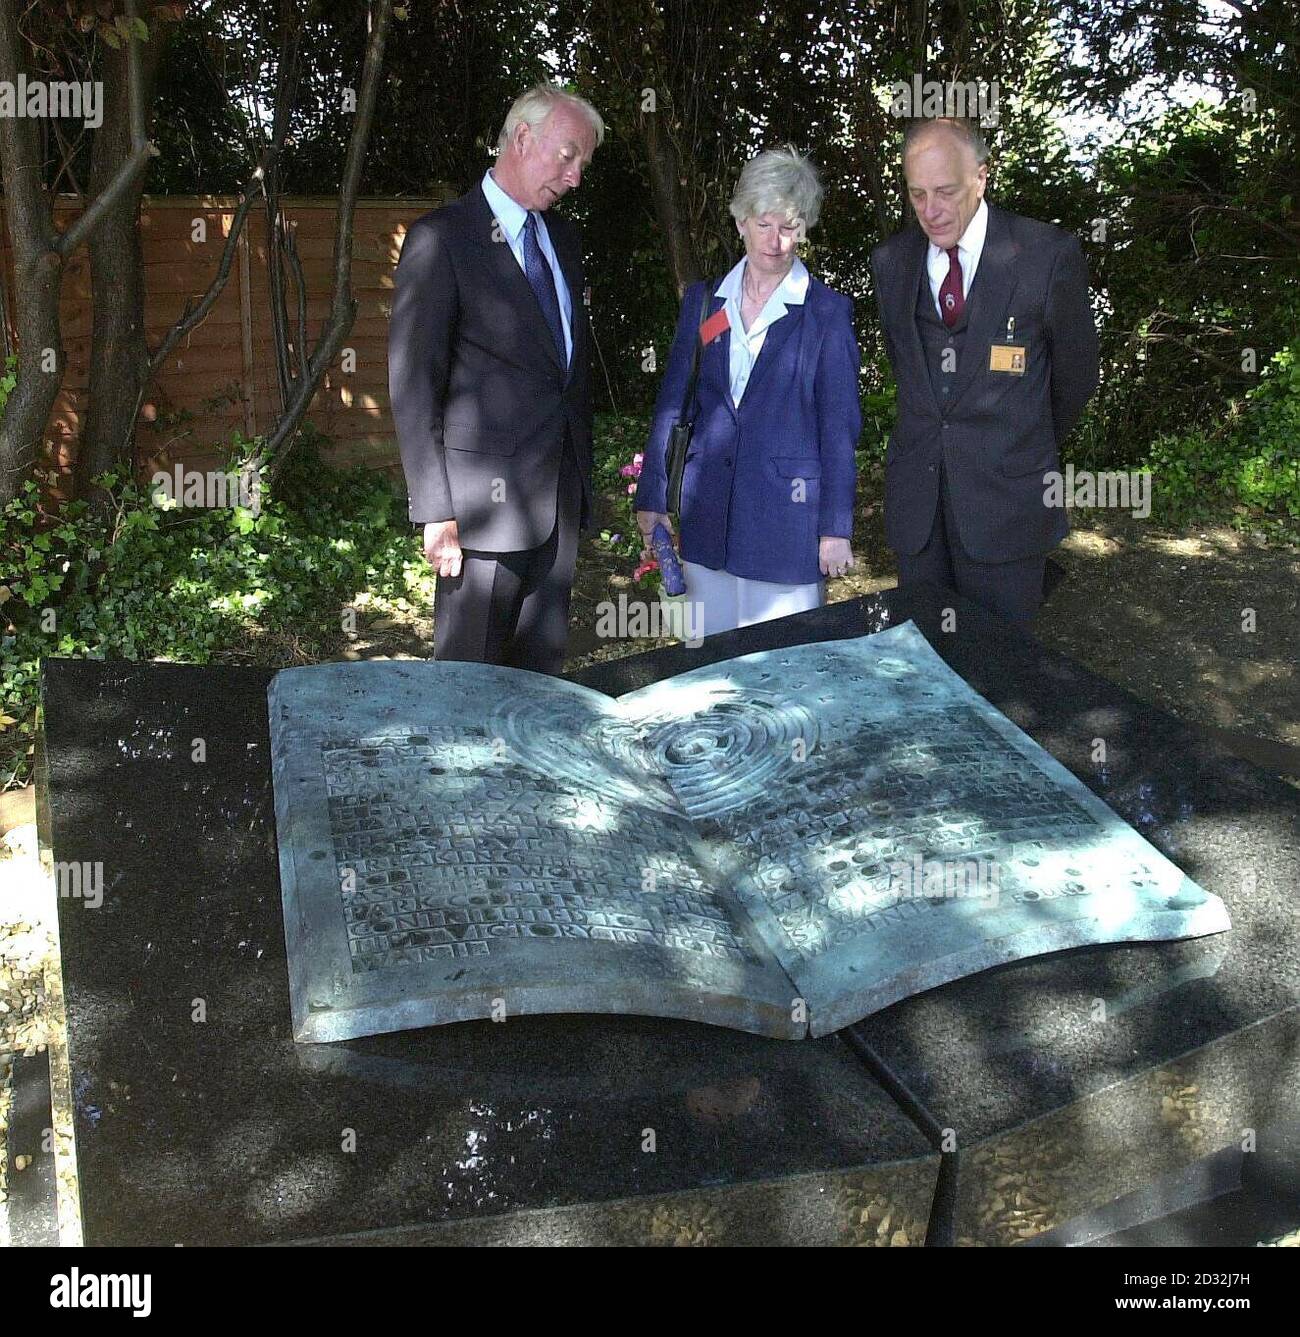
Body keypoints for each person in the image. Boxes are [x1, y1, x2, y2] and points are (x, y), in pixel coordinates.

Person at [388, 84, 603, 674]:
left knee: (540, 687)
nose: (576, 176)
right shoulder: (442, 237)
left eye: (583, 163)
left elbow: (567, 372)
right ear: (523, 137)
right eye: (568, 155)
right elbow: (413, 382)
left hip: (558, 503)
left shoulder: (564, 239)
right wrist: (436, 510)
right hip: (480, 513)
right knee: (468, 686)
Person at [871, 116, 1099, 626]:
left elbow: (1076, 378)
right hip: (918, 512)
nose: (930, 211)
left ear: (982, 176)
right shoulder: (891, 261)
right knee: (925, 665)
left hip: (1010, 506)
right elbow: (906, 370)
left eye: (945, 191)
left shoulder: (1047, 255)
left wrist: (1018, 446)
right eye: (917, 194)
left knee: (1004, 671)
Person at [635, 146, 861, 638]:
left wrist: (835, 527)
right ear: (740, 221)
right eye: (764, 223)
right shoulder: (703, 303)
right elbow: (674, 402)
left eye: (790, 227)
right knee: (707, 672)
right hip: (706, 518)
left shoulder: (826, 314)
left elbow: (839, 432)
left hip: (789, 528)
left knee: (783, 675)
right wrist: (652, 494)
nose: (776, 242)